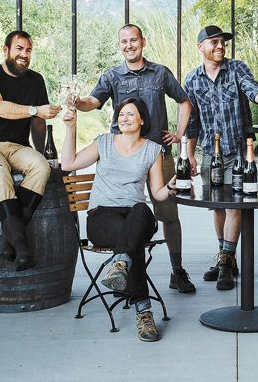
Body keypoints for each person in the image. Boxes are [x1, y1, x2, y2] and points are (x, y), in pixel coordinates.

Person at [74, 24, 196, 294]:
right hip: (123, 156)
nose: (129, 45)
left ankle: (177, 271)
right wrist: (76, 102)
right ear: (120, 45)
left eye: (133, 40)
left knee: (167, 215)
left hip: (155, 154)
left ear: (143, 42)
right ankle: (129, 279)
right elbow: (92, 102)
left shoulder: (160, 72)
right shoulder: (112, 76)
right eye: (124, 41)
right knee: (131, 217)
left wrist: (178, 134)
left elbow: (184, 102)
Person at [184, 25, 258, 290]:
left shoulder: (237, 68)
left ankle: (226, 260)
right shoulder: (192, 80)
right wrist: (190, 155)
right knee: (217, 207)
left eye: (222, 42)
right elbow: (192, 122)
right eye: (214, 42)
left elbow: (254, 92)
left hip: (240, 153)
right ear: (201, 47)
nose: (220, 46)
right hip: (211, 153)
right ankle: (225, 259)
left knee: (235, 206)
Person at [61, 98, 176, 342]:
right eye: (121, 114)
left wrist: (171, 187)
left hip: (135, 216)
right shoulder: (103, 143)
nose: (124, 118)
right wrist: (71, 127)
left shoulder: (152, 150)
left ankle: (120, 263)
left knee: (142, 210)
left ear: (142, 120)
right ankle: (144, 312)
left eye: (130, 114)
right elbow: (68, 163)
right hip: (102, 218)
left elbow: (157, 193)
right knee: (133, 244)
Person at [0, 30, 61, 271]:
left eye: (28, 50)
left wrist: (44, 153)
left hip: (18, 146)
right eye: (19, 48)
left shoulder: (36, 80)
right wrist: (34, 110)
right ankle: (22, 247)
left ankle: (8, 239)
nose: (24, 54)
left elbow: (38, 124)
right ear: (6, 50)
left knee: (40, 166)